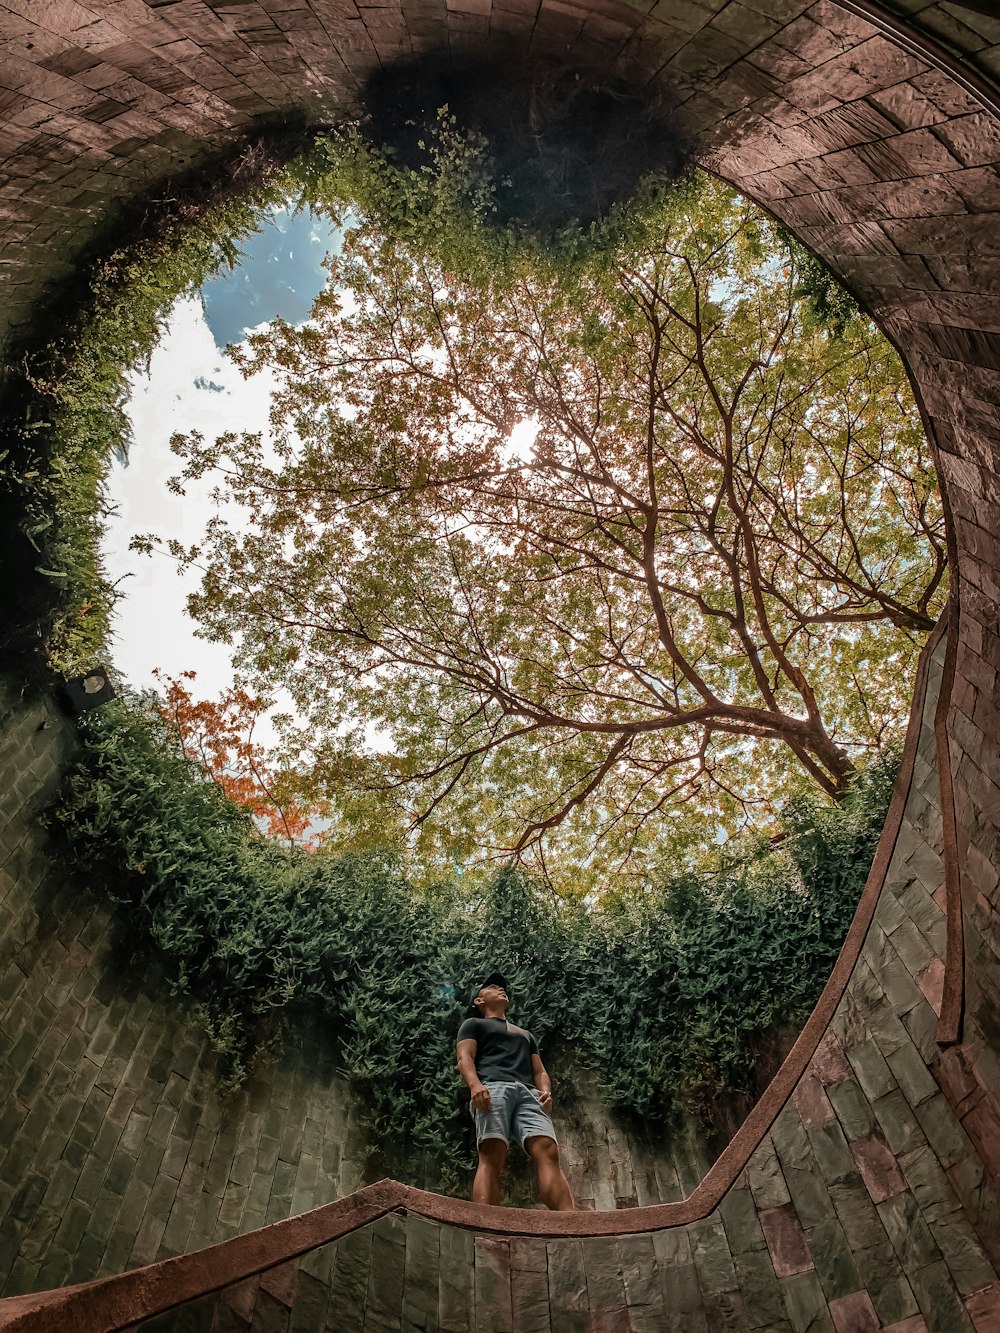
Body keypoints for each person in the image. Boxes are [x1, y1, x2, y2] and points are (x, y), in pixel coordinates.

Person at [455, 971, 574, 1211]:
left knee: (548, 1150)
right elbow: (464, 1056)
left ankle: (570, 1222)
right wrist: (475, 1085)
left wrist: (546, 1091)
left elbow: (539, 1070)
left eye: (502, 987)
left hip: (529, 1093)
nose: (501, 988)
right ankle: (487, 1224)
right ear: (478, 1001)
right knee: (491, 1151)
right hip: (493, 1087)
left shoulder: (525, 1034)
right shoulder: (473, 1024)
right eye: (492, 986)